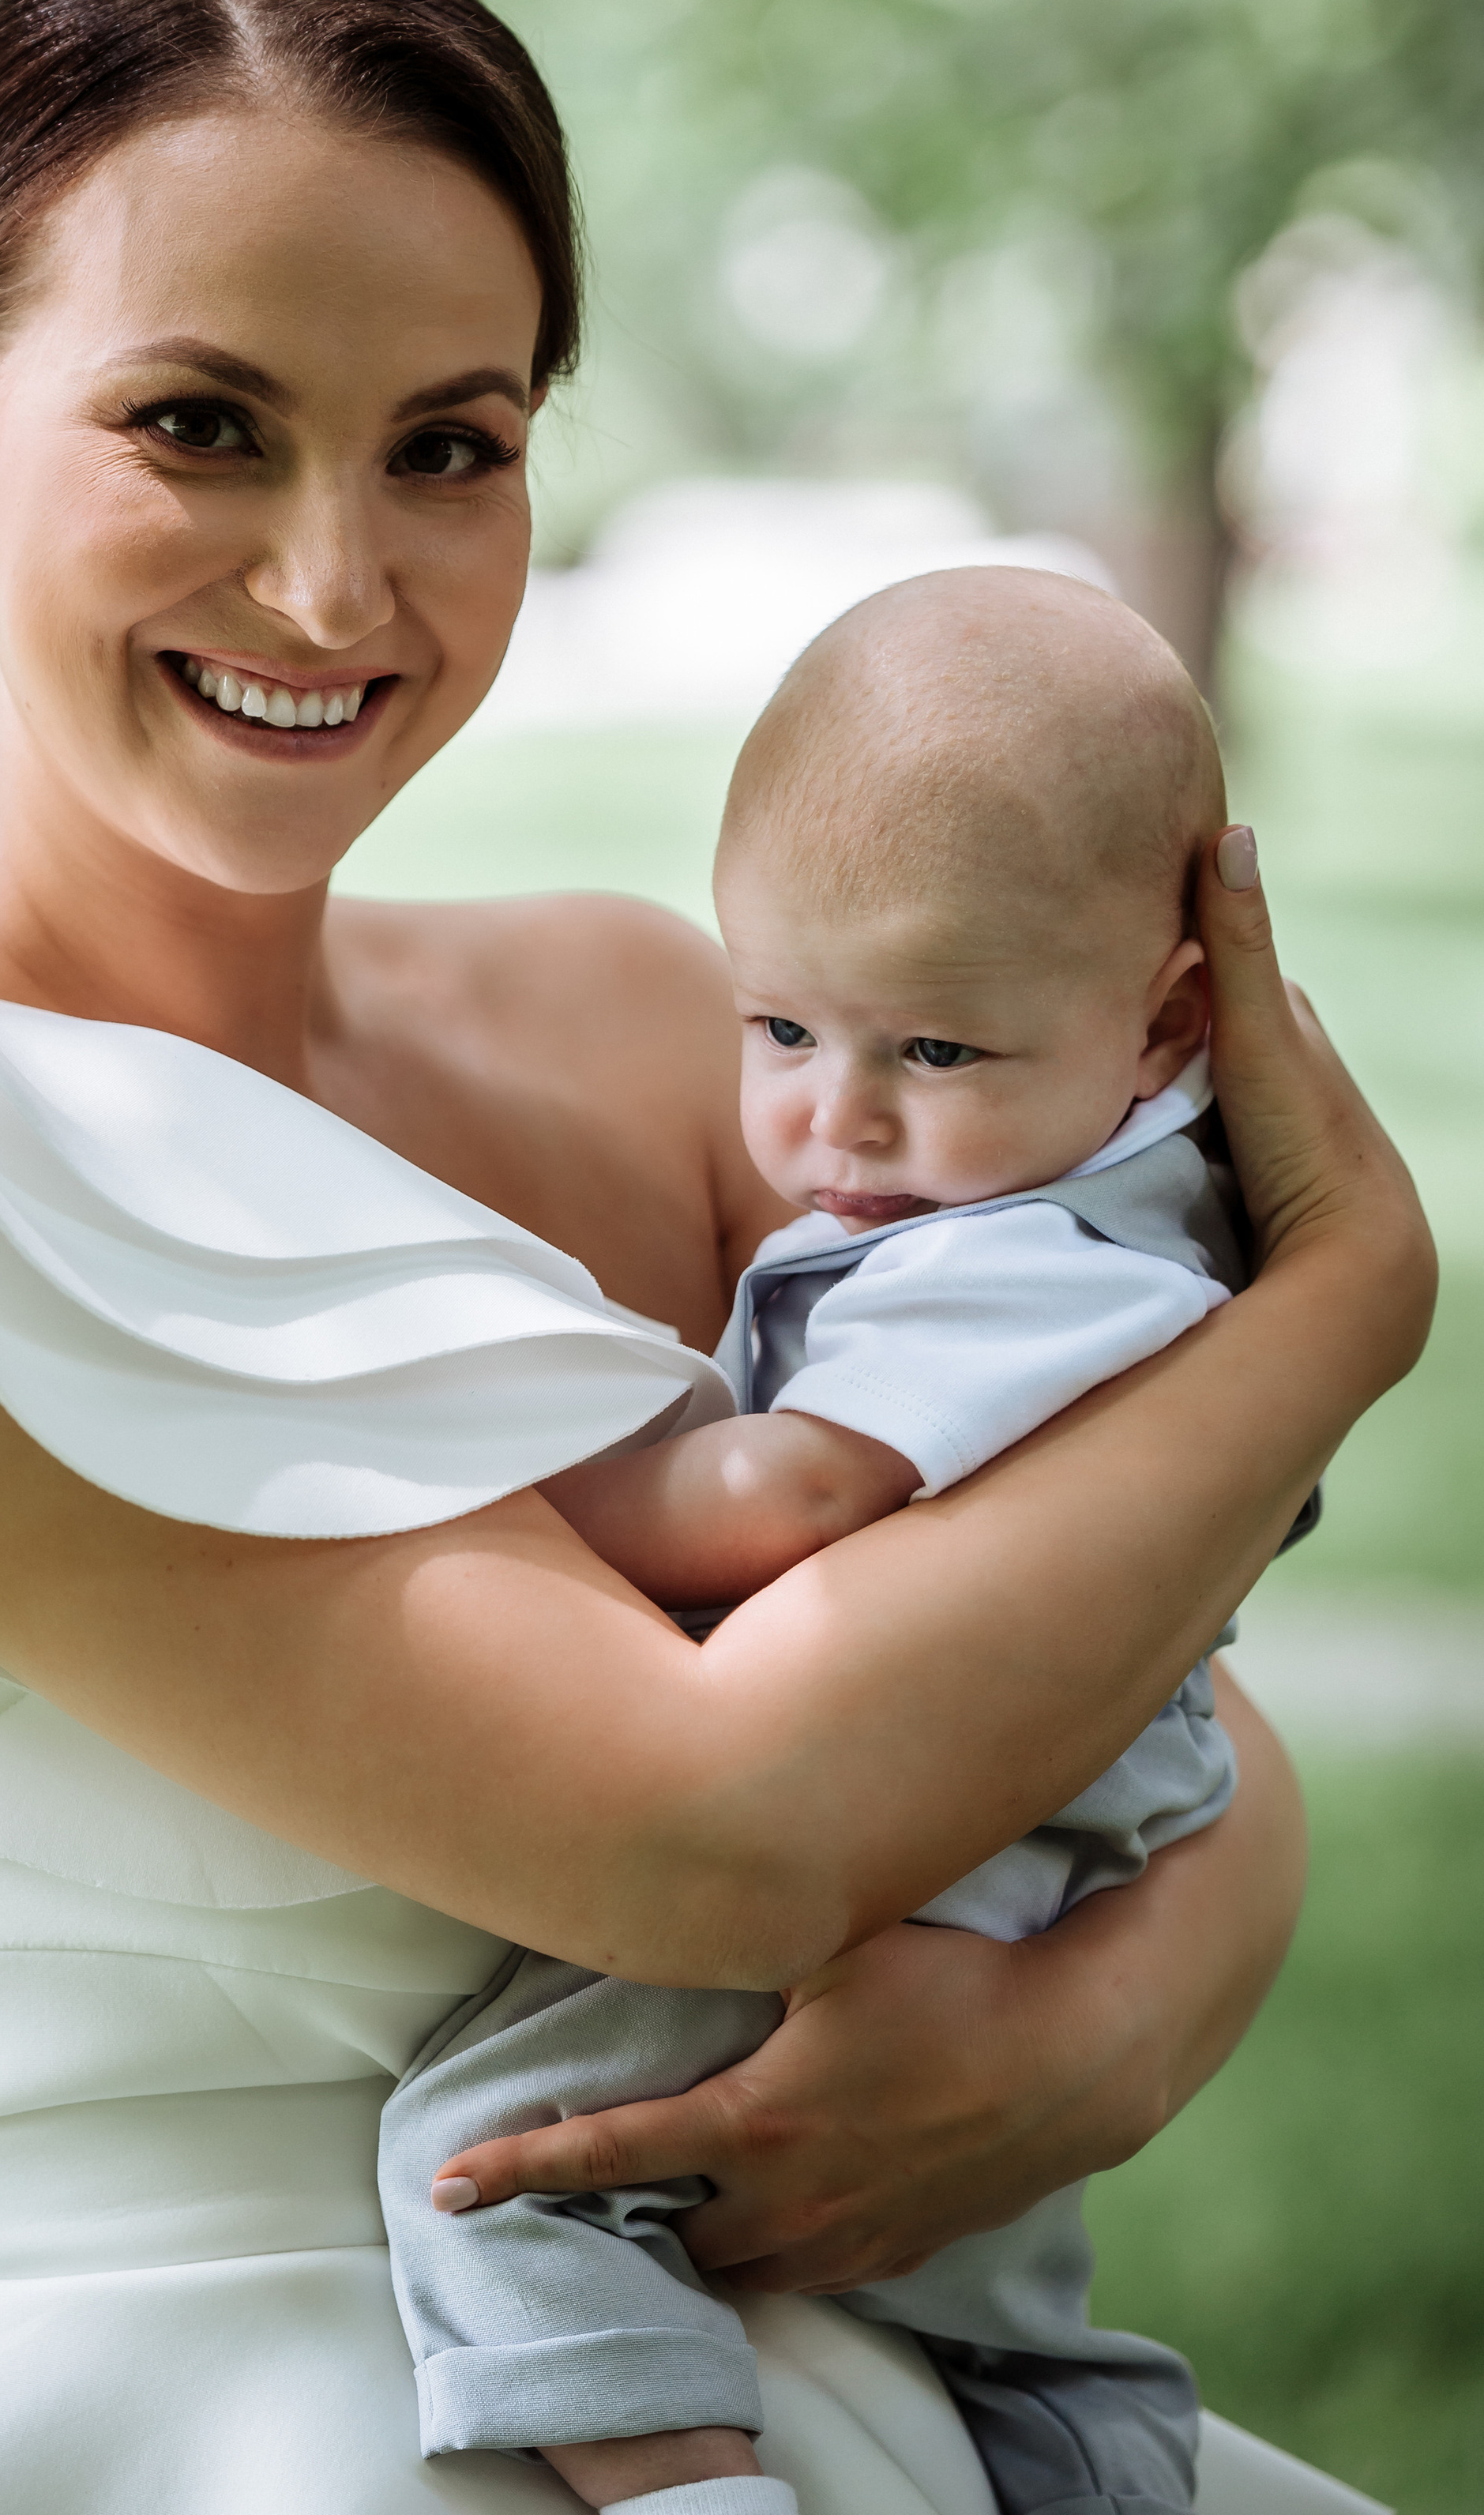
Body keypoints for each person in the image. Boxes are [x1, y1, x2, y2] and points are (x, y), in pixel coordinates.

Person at [0, 0, 1428, 2515]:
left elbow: (1148, 1703)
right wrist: (1344, 1305)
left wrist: (1097, 2037)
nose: (333, 583)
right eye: (199, 424)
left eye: (448, 445)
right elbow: (719, 1832)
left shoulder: (645, 1025)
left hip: (846, 2420)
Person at [380, 569, 1303, 2515]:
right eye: (780, 1025)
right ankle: (1077, 2455)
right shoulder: (1051, 1187)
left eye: (932, 1054)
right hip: (993, 1808)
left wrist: (489, 1458)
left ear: (1163, 1021)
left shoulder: (1034, 1257)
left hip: (953, 1828)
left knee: (494, 2162)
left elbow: (776, 1499)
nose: (833, 1124)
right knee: (978, 2310)